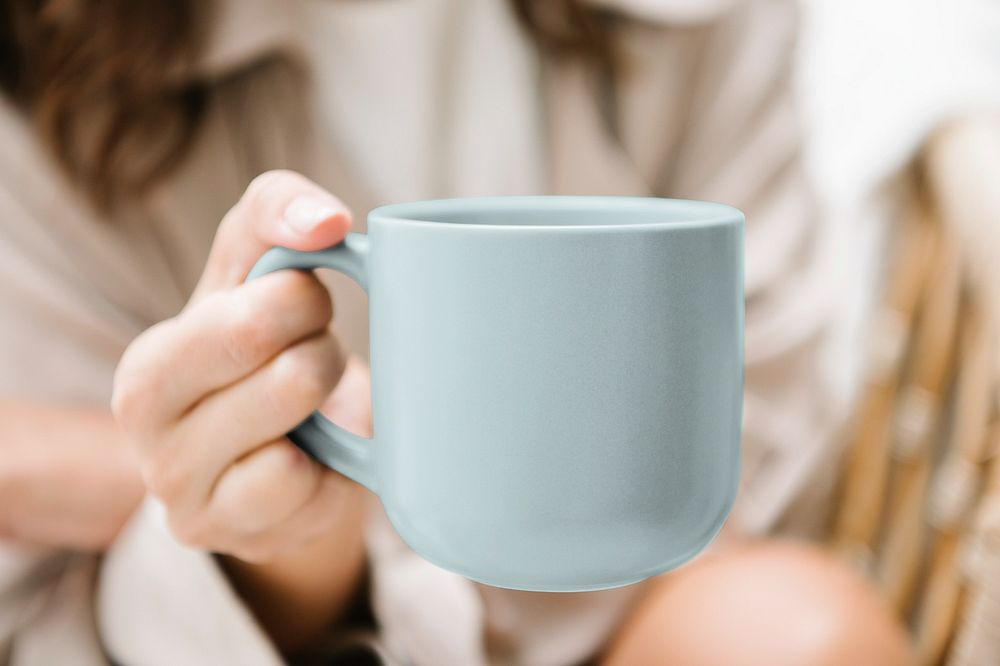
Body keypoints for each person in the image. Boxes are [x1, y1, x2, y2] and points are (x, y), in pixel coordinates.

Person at [0, 0, 912, 664]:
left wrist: (84, 468)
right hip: (259, 642)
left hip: (647, 621)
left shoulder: (699, 22)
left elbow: (761, 438)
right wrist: (304, 556)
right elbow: (45, 614)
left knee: (795, 631)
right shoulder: (39, 85)